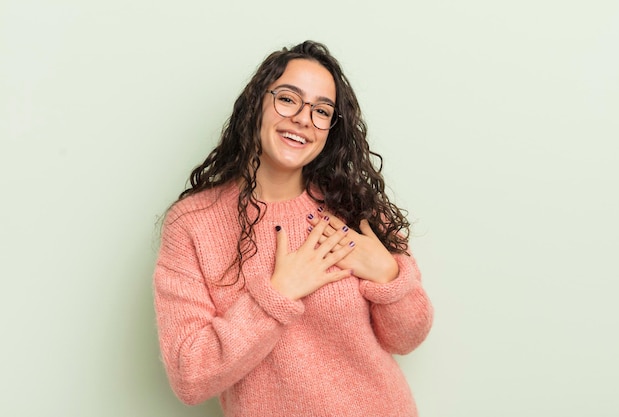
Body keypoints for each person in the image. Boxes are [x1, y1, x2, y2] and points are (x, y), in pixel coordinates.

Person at [153, 40, 434, 417]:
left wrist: (388, 275)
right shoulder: (192, 225)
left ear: (331, 129)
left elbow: (407, 337)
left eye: (322, 110)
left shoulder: (354, 209)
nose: (304, 118)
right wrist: (277, 294)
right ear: (257, 104)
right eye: (288, 99)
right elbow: (191, 376)